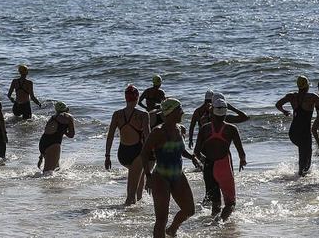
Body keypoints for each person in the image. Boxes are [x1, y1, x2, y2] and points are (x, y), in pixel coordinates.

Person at [140, 98, 201, 238]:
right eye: (180, 109)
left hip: (178, 175)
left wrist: (192, 157)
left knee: (189, 210)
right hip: (161, 177)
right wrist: (148, 177)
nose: (183, 112)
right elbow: (144, 154)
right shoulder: (158, 132)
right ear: (171, 112)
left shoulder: (180, 129)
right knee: (161, 219)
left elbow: (179, 150)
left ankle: (172, 229)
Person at [195, 93, 247, 221]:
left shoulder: (205, 128)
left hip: (208, 166)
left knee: (215, 203)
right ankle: (219, 224)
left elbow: (196, 152)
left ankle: (214, 229)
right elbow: (241, 152)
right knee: (230, 203)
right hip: (223, 165)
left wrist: (204, 162)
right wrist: (242, 160)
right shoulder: (231, 128)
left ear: (212, 111)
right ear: (225, 113)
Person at [105, 85, 151, 205]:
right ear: (137, 98)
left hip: (122, 153)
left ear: (126, 98)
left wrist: (107, 156)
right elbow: (148, 136)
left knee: (139, 180)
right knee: (131, 194)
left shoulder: (117, 114)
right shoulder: (143, 115)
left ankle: (139, 206)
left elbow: (110, 136)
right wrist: (153, 152)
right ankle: (126, 215)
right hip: (137, 152)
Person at [276, 75, 319, 176]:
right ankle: (301, 175)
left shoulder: (291, 96)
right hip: (304, 132)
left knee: (303, 151)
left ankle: (301, 174)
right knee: (307, 153)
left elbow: (278, 104)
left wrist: (284, 111)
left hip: (293, 132)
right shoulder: (312, 97)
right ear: (307, 85)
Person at [37, 101, 75, 172]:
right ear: (67, 109)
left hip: (43, 143)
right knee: (48, 173)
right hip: (53, 144)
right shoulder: (69, 117)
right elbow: (71, 135)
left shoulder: (52, 118)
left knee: (56, 170)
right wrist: (64, 131)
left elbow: (47, 133)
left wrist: (41, 157)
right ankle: (29, 181)